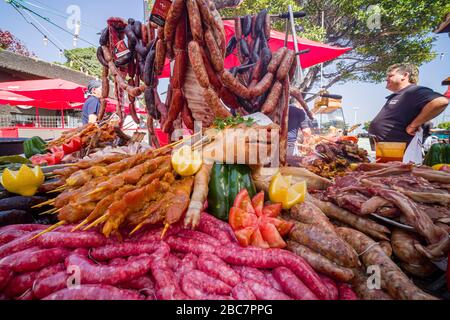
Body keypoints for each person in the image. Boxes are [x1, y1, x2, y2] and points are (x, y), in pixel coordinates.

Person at [369, 63, 449, 145]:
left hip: (399, 152)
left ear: (404, 75)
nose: (386, 79)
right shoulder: (400, 94)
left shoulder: (413, 91)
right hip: (386, 149)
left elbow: (441, 101)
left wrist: (413, 125)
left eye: (390, 75)